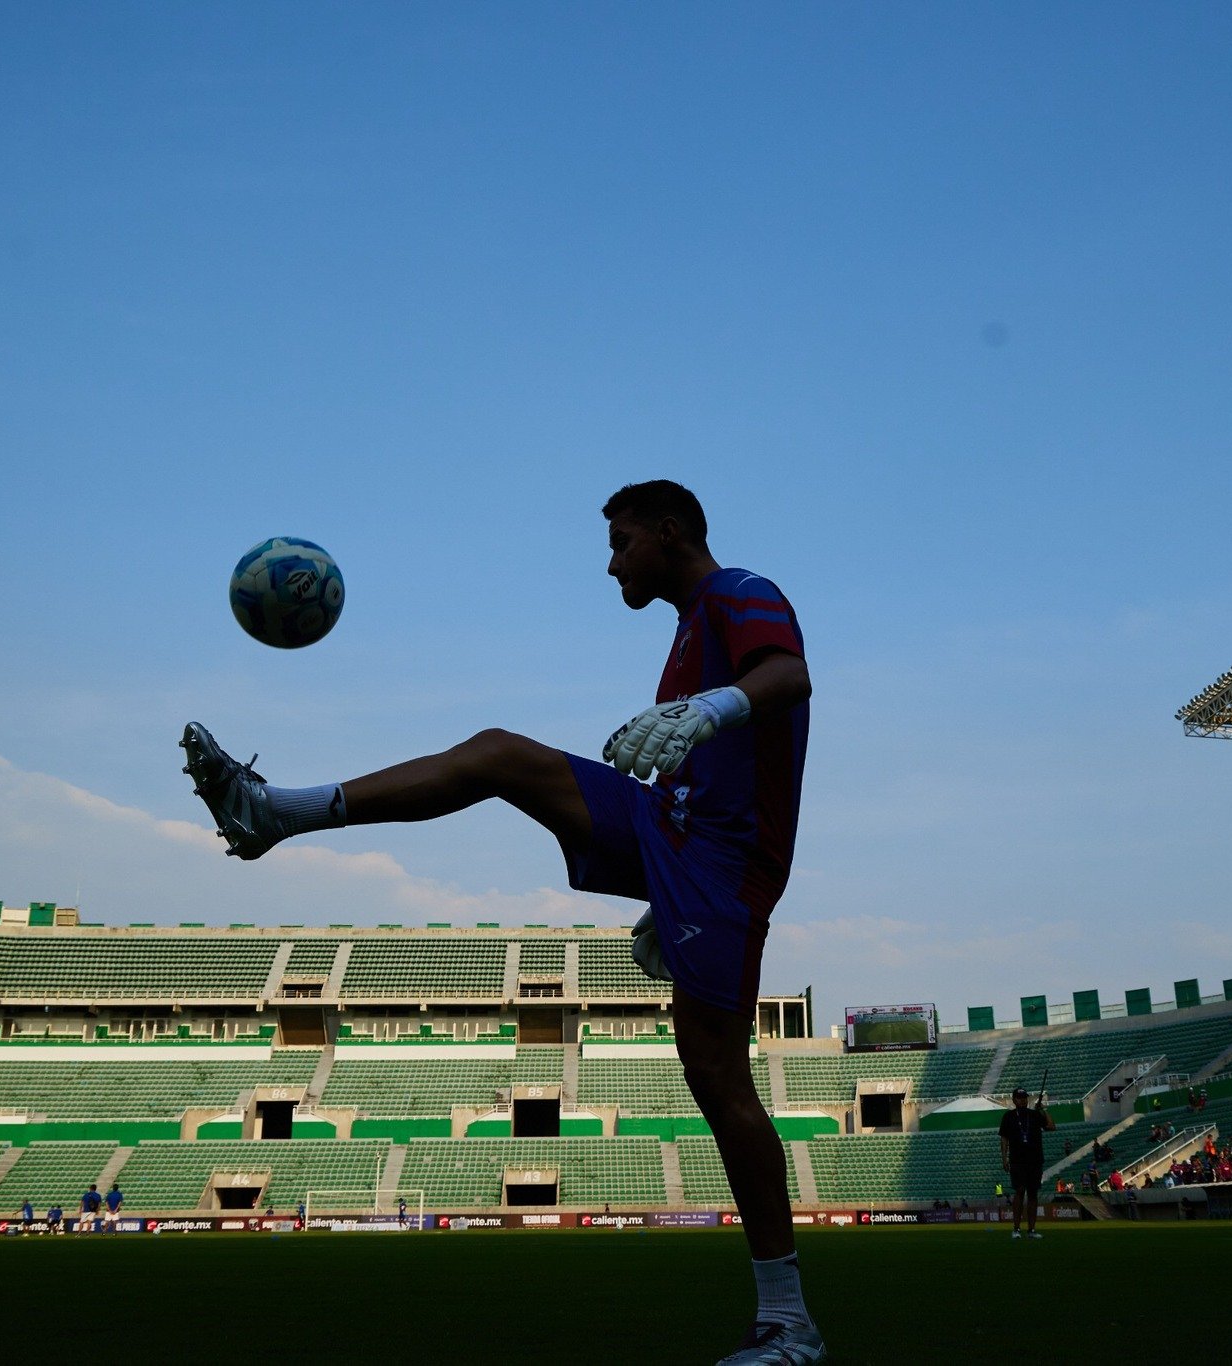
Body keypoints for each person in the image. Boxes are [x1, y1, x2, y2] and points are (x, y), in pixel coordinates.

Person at [181, 481, 818, 1365]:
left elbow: (789, 676)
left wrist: (712, 709)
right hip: (674, 839)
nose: (612, 561)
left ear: (670, 533)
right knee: (498, 755)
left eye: (623, 541)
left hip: (723, 860)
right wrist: (654, 894)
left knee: (716, 1073)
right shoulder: (686, 628)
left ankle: (789, 1322)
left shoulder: (741, 589)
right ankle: (274, 811)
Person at [999, 1086, 1056, 1239]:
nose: (1022, 1100)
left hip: (1035, 1160)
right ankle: (1016, 1229)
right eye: (1019, 1097)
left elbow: (1051, 1126)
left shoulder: (1035, 1114)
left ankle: (1031, 1230)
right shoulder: (1008, 1116)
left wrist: (1043, 1110)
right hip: (1017, 1160)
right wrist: (1004, 1158)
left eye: (1024, 1098)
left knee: (1033, 1193)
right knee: (1019, 1191)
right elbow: (1004, 1138)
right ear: (1014, 1100)